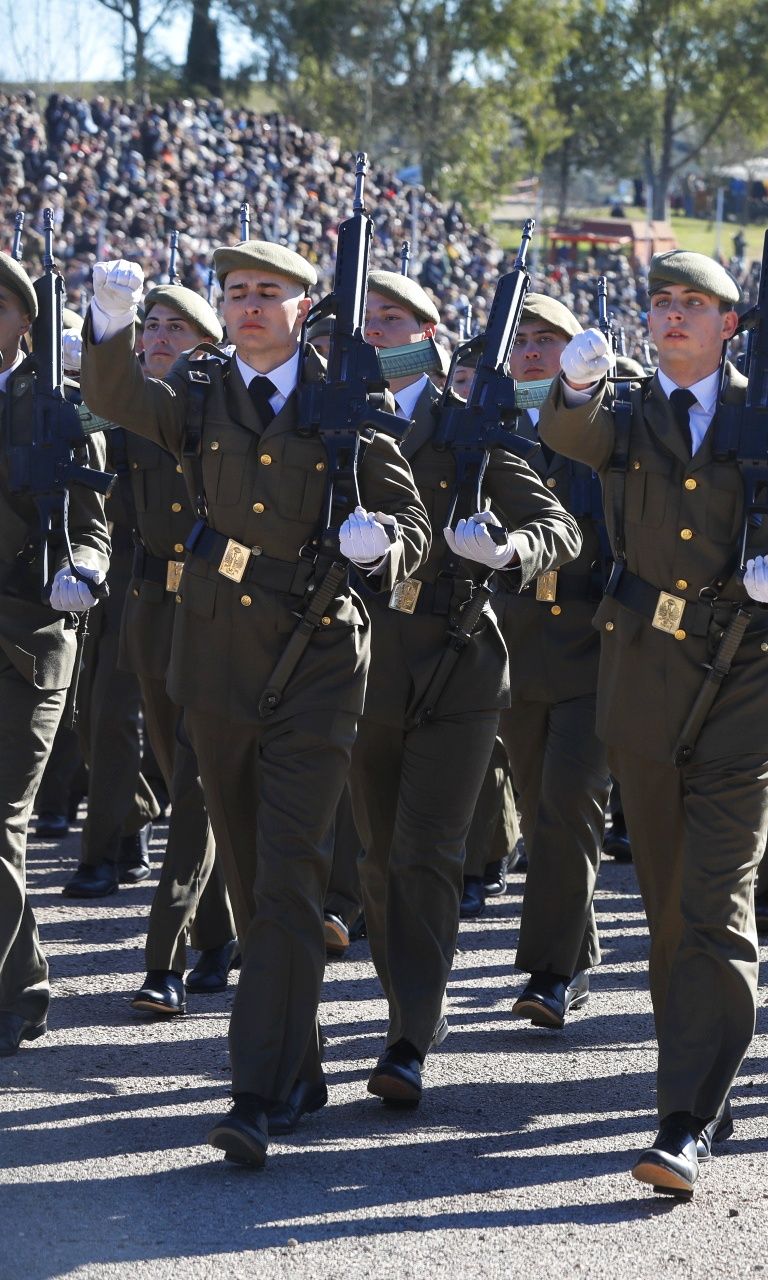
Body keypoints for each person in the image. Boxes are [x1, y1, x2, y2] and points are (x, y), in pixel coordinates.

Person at [82, 239, 431, 1166]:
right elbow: (120, 402)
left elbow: (413, 527)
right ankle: (302, 1064)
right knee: (243, 873)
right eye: (234, 293)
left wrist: (380, 545)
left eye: (266, 293)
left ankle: (257, 1090)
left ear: (307, 303)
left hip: (318, 657)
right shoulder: (198, 392)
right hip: (218, 658)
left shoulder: (349, 399)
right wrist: (111, 329)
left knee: (287, 875)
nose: (247, 306)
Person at [541, 248, 768, 1196]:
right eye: (661, 302)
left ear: (730, 325)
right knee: (669, 907)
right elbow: (567, 433)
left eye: (693, 305)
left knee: (716, 903)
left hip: (747, 683)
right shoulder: (625, 413)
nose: (672, 317)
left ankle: (685, 1114)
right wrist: (571, 381)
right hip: (641, 680)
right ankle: (704, 1088)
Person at [346, 268, 579, 1106]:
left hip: (457, 654)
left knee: (429, 852)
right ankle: (408, 998)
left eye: (395, 318)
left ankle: (409, 1033)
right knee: (376, 857)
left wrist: (508, 551)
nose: (376, 330)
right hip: (360, 656)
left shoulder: (470, 428)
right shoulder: (336, 418)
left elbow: (560, 526)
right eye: (367, 318)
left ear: (433, 335)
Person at [0, 250, 113, 1058]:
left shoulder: (64, 407)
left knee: (0, 821)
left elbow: (96, 525)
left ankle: (15, 991)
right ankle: (25, 976)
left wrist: (86, 570)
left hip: (28, 639)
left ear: (25, 324)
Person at [119, 279, 238, 1017]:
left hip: (216, 610)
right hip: (148, 610)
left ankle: (163, 957)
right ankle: (221, 932)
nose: (159, 337)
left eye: (177, 327)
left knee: (194, 789)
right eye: (151, 325)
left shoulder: (224, 411)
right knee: (181, 773)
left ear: (207, 342)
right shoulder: (132, 417)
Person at [497, 292, 616, 1031]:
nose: (535, 353)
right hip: (516, 644)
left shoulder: (605, 429)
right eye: (524, 341)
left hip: (591, 642)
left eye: (550, 339)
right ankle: (579, 950)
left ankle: (552, 970)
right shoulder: (492, 429)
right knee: (542, 811)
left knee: (571, 803)